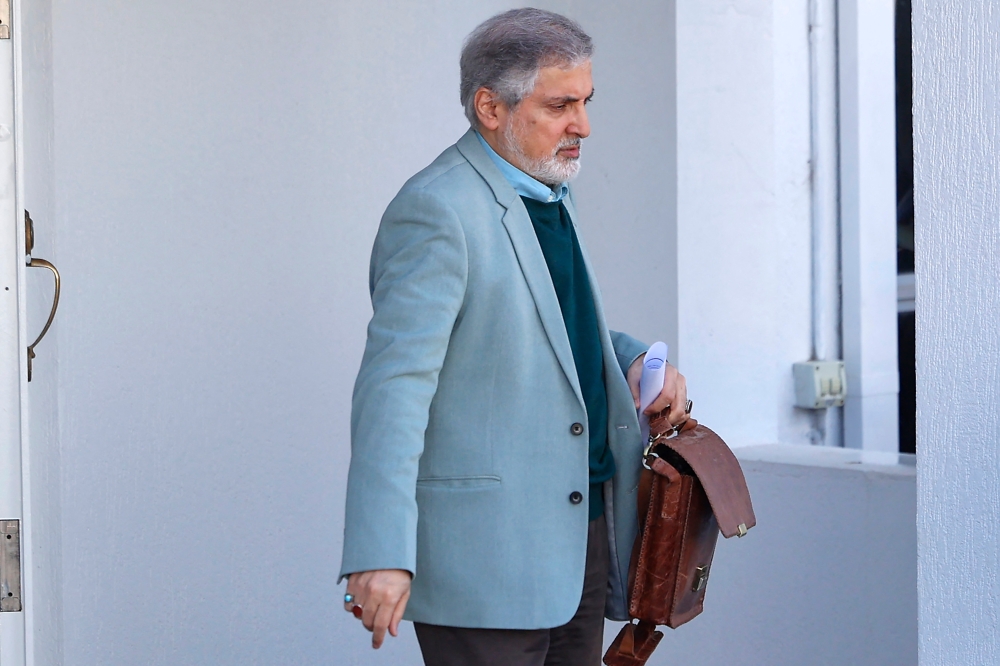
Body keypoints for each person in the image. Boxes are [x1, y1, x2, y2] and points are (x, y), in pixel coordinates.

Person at [339, 8, 688, 665]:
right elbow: (394, 391)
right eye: (560, 105)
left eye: (585, 102)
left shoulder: (550, 191)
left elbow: (547, 330)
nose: (582, 125)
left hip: (578, 541)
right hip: (483, 564)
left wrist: (634, 356)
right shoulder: (436, 210)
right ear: (490, 107)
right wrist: (380, 551)